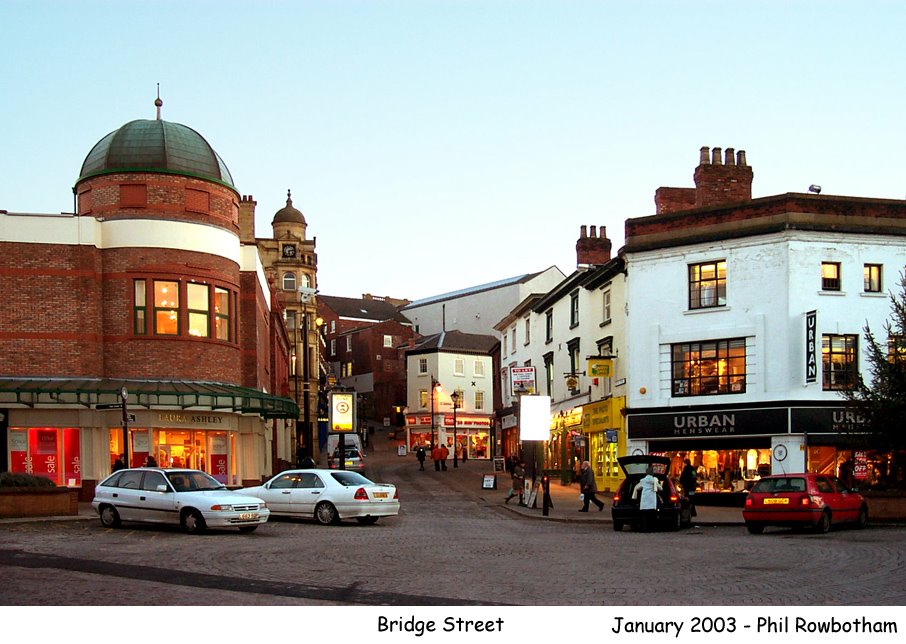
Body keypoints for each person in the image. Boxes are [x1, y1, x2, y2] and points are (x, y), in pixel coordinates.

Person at [633, 466, 663, 531]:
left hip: (644, 500)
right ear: (652, 473)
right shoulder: (654, 480)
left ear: (646, 473)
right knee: (652, 515)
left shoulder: (643, 480)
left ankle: (645, 528)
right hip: (652, 500)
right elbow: (660, 488)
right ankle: (651, 528)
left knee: (644, 515)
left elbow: (638, 488)